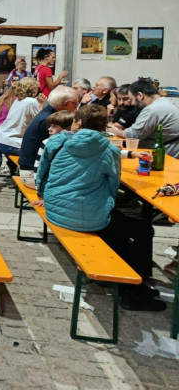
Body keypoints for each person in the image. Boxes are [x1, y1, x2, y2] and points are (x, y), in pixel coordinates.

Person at [37, 105, 164, 311]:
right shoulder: (108, 150)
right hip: (81, 216)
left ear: (78, 122)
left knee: (117, 230)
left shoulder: (58, 141)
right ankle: (134, 289)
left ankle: (133, 285)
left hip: (54, 209)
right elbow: (112, 185)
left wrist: (44, 194)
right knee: (142, 230)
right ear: (103, 126)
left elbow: (42, 171)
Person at [109, 81, 179, 157]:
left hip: (161, 155)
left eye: (131, 99)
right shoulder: (164, 102)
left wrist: (116, 131)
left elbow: (133, 135)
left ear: (140, 95)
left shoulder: (152, 110)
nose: (132, 103)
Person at [18, 85, 78, 173]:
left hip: (29, 166)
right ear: (66, 104)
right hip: (32, 171)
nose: (76, 108)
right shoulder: (51, 120)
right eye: (76, 104)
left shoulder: (46, 113)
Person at [0, 77, 44, 170]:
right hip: (12, 143)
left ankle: (12, 165)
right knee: (41, 151)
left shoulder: (18, 100)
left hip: (1, 140)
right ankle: (29, 173)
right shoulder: (31, 102)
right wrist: (41, 104)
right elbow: (41, 121)